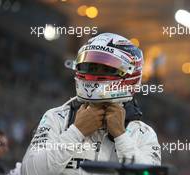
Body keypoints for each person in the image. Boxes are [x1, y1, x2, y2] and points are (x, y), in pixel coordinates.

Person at [21, 33, 161, 175]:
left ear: (130, 75)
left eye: (104, 69)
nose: (91, 75)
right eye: (88, 66)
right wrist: (76, 132)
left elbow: (149, 173)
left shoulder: (143, 134)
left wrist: (121, 136)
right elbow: (28, 172)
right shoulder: (56, 117)